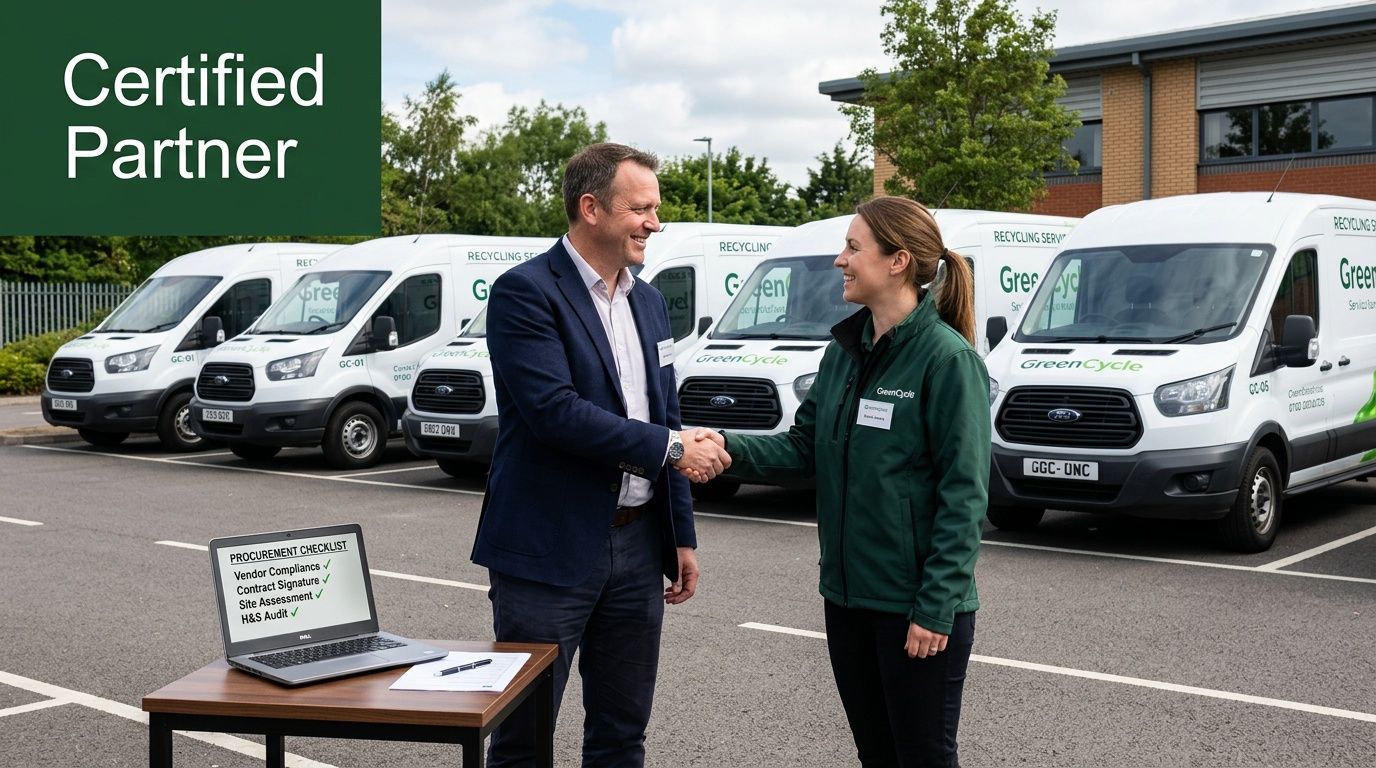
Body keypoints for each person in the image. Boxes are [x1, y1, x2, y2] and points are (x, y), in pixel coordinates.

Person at [704, 196, 989, 767]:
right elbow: (803, 447)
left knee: (924, 758)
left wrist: (935, 606)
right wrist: (725, 448)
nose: (840, 260)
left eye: (854, 247)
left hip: (915, 607)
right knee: (876, 755)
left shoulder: (947, 360)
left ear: (898, 261)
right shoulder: (845, 351)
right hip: (848, 599)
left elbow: (965, 496)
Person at [473, 141, 731, 767]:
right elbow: (554, 413)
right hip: (547, 550)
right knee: (523, 736)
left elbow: (662, 411)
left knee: (622, 732)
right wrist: (674, 448)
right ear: (591, 208)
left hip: (639, 546)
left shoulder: (647, 300)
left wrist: (681, 537)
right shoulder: (524, 292)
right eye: (641, 209)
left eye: (656, 208)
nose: (655, 223)